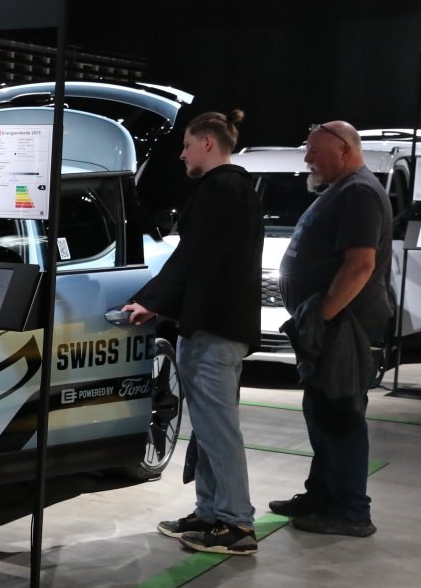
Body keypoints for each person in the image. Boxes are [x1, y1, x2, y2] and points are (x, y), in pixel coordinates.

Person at [122, 110, 264, 555]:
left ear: (207, 143)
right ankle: (210, 513)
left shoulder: (221, 190)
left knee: (218, 429)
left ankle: (236, 524)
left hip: (214, 330)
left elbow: (194, 259)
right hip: (214, 327)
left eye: (186, 145)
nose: (182, 155)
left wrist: (151, 300)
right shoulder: (234, 190)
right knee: (207, 428)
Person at [268, 120, 393, 537]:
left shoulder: (358, 192)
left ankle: (352, 511)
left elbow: (360, 265)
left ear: (344, 150)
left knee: (341, 416)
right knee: (323, 412)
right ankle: (321, 495)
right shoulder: (345, 189)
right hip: (336, 325)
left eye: (315, 152)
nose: (307, 158)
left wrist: (323, 316)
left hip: (346, 327)